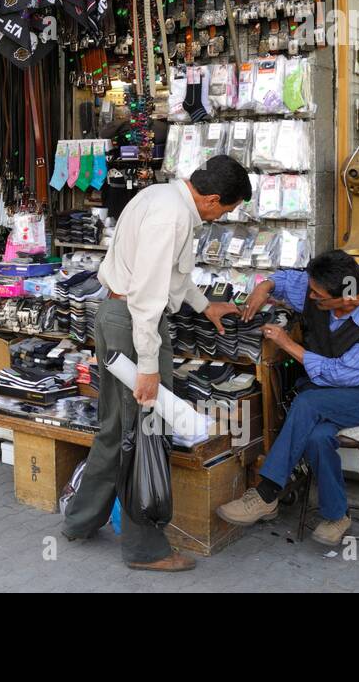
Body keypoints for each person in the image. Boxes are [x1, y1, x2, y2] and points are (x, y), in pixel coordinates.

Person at [61, 155, 252, 573]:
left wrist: (206, 307)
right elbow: (147, 296)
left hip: (118, 317)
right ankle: (145, 548)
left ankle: (80, 520)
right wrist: (148, 366)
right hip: (134, 325)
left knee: (115, 429)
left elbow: (171, 277)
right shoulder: (173, 218)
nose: (223, 217)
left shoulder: (163, 197)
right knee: (144, 432)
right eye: (227, 210)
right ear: (213, 199)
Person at [216, 250, 359, 546]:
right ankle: (337, 515)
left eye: (318, 295)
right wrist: (264, 288)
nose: (310, 297)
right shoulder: (318, 292)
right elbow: (284, 281)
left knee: (307, 403)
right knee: (317, 437)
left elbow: (340, 375)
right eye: (311, 291)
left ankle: (266, 493)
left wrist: (287, 343)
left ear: (349, 298)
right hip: (323, 396)